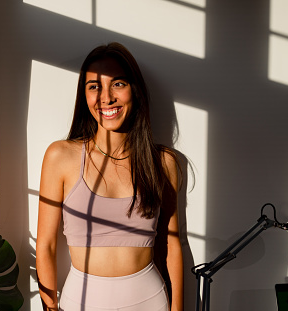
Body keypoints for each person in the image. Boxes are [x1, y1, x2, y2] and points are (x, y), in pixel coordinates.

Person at [36, 42, 183, 311]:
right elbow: (45, 246)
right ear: (85, 96)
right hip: (79, 303)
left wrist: (178, 310)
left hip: (150, 302)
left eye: (117, 84)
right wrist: (50, 308)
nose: (106, 98)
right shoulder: (61, 156)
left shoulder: (163, 162)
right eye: (95, 87)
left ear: (134, 90)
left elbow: (171, 242)